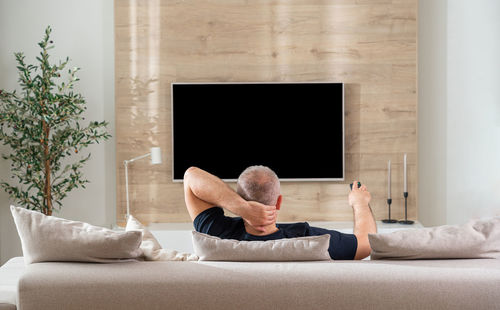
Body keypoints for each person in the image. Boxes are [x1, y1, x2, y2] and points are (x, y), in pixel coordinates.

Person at [183, 165, 377, 260]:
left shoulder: (216, 235)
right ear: (279, 202)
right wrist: (359, 203)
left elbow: (191, 175)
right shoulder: (311, 240)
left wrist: (242, 207)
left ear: (239, 197)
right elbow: (367, 244)